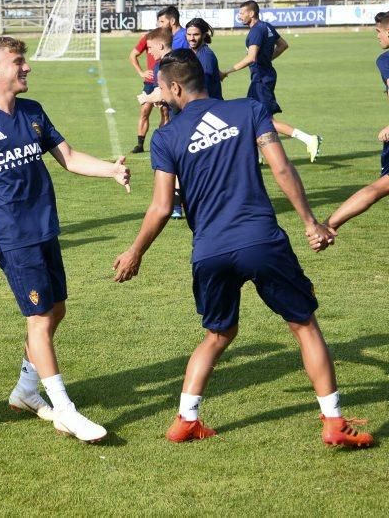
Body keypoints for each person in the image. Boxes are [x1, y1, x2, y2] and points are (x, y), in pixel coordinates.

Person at [112, 49, 374, 448]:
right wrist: (310, 223)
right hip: (260, 241)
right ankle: (334, 422)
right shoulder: (248, 110)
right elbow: (282, 168)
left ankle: (186, 419)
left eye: (160, 90)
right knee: (304, 326)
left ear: (177, 87)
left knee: (217, 335)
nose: (159, 96)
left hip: (210, 251)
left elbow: (162, 207)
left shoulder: (165, 137)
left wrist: (135, 252)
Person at [0, 36, 131, 443]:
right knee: (40, 319)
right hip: (13, 237)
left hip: (46, 228)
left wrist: (110, 171)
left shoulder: (33, 112)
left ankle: (26, 391)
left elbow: (70, 157)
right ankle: (64, 409)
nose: (26, 68)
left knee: (56, 309)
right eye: (18, 62)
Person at [220, 0, 322, 162]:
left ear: (251, 13)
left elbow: (251, 57)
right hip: (264, 76)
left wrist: (227, 72)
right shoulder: (266, 26)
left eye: (242, 13)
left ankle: (309, 139)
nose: (239, 16)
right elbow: (283, 45)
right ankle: (257, 156)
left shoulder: (255, 31)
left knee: (266, 120)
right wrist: (267, 59)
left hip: (261, 79)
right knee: (252, 116)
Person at [324, 11, 389, 230]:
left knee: (379, 188)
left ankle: (328, 226)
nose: (377, 37)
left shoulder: (386, 59)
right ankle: (329, 225)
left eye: (379, 32)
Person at [137, 27, 184, 219]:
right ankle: (179, 205)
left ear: (160, 45)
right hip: (181, 117)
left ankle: (173, 206)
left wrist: (146, 98)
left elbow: (166, 92)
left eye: (150, 47)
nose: (149, 51)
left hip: (181, 120)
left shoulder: (166, 64)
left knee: (172, 164)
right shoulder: (172, 61)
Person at [128, 31, 169, 153]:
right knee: (145, 110)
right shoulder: (148, 37)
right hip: (150, 82)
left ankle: (163, 143)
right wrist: (141, 72)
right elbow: (132, 55)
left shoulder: (168, 38)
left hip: (164, 80)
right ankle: (140, 144)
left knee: (165, 112)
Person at [185, 17, 222, 100]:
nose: (191, 38)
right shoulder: (190, 52)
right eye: (189, 34)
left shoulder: (206, 56)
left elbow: (202, 87)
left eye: (196, 35)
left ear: (204, 35)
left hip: (210, 106)